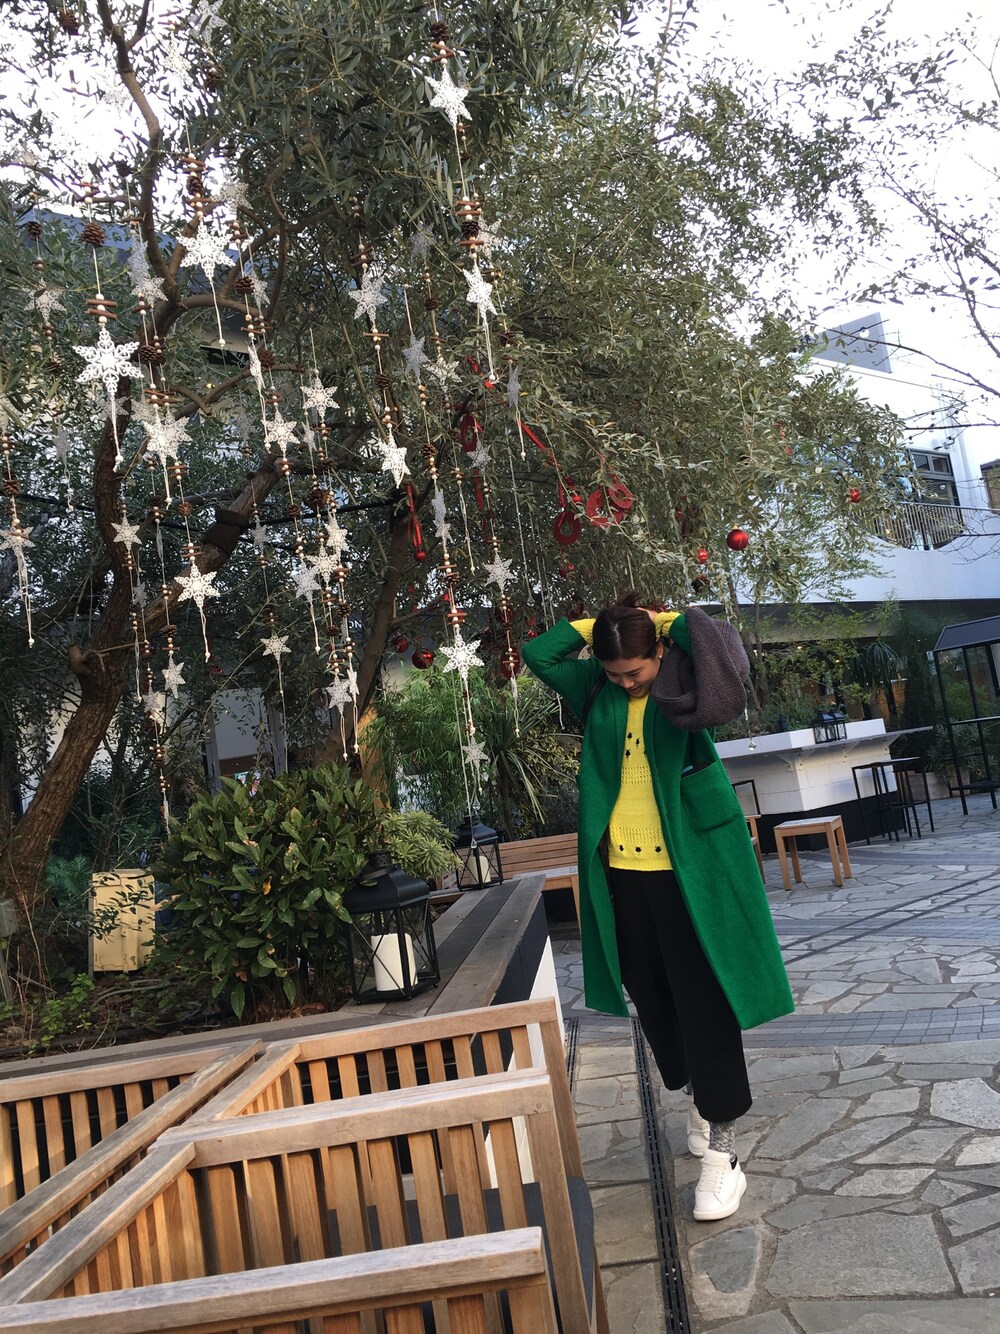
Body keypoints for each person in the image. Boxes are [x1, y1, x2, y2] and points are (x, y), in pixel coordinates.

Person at [522, 593, 793, 1221]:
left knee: (705, 998)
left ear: (659, 652)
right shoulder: (597, 686)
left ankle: (723, 1153)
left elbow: (722, 654)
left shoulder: (687, 676)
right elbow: (540, 654)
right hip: (622, 871)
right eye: (616, 672)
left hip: (691, 865)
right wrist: (601, 630)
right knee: (651, 994)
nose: (627, 681)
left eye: (635, 670)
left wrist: (663, 624)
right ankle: (700, 1095)